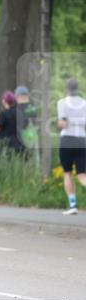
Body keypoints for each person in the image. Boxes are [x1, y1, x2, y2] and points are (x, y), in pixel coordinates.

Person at [57, 78, 86, 216]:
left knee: (67, 172)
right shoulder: (84, 103)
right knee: (82, 176)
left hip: (67, 140)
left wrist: (61, 122)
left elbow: (63, 123)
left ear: (66, 88)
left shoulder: (62, 103)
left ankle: (73, 205)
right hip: (82, 140)